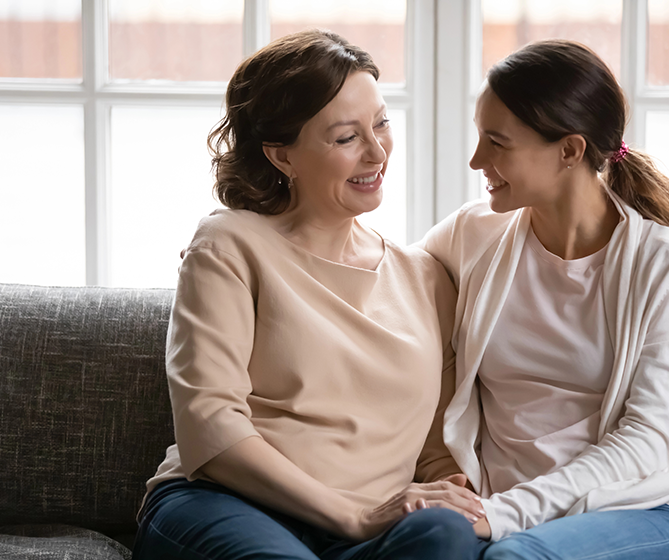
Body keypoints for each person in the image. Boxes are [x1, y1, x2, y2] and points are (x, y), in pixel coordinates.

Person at [132, 30, 486, 560]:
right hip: (226, 504)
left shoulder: (426, 276)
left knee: (446, 535)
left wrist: (461, 498)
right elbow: (210, 425)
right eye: (346, 138)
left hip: (369, 530)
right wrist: (355, 516)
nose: (376, 151)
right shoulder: (230, 243)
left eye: (382, 122)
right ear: (282, 156)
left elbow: (436, 451)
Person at [420, 40, 669, 559]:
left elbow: (646, 440)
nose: (475, 160)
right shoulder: (474, 233)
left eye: (496, 142)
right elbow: (388, 286)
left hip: (633, 512)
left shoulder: (667, 263)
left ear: (570, 150)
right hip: (501, 508)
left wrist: (502, 514)